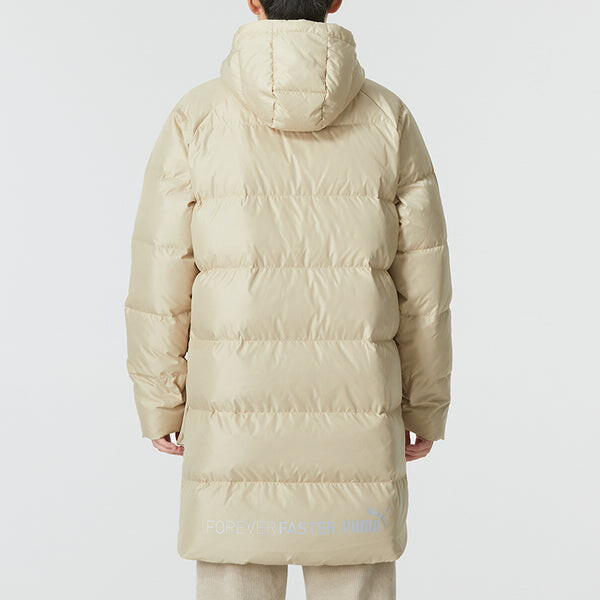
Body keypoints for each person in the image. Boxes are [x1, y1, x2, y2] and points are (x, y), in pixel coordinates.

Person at [124, 0, 452, 597]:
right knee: (354, 564)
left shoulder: (197, 117)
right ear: (336, 1)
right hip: (357, 418)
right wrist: (424, 404)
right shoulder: (388, 118)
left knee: (235, 569)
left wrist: (160, 399)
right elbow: (423, 287)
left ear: (254, 2)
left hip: (233, 425)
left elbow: (160, 277)